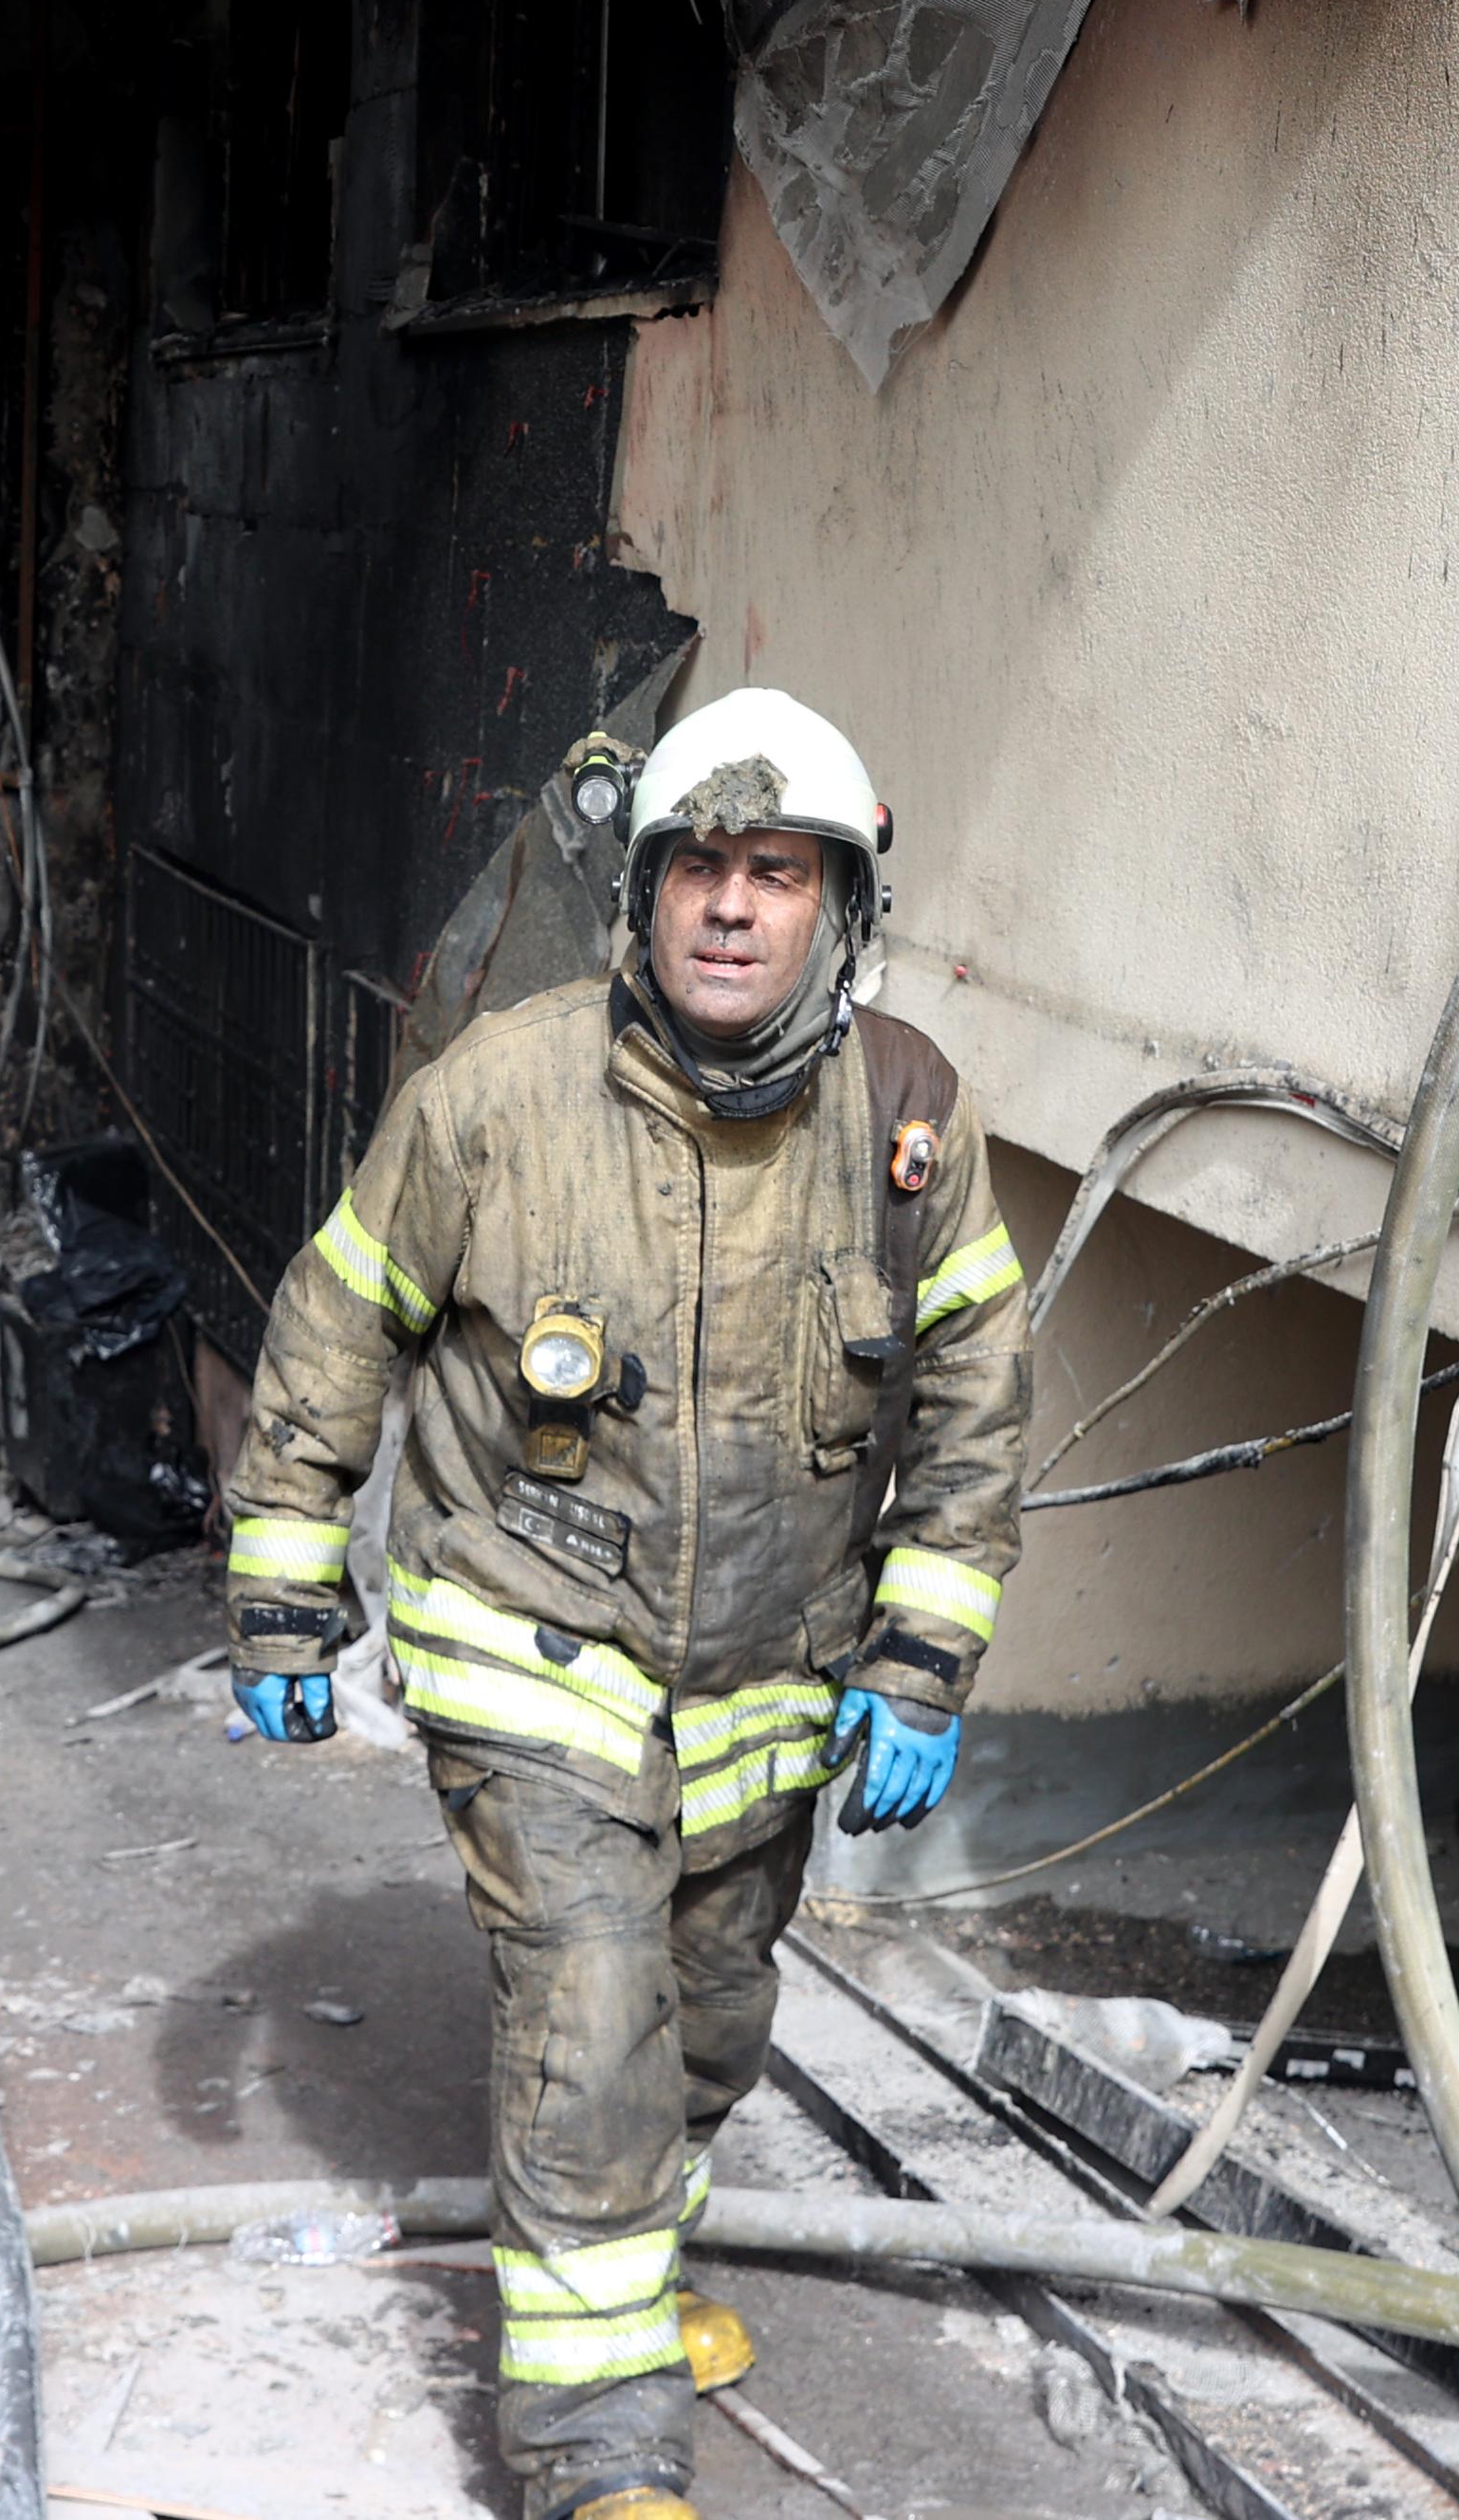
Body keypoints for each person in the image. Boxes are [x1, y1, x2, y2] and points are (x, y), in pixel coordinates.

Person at [217, 686, 1032, 2520]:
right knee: (593, 2014)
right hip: (530, 1643)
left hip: (768, 1680)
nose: (732, 908)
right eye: (700, 871)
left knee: (707, 2016)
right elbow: (339, 1315)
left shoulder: (911, 1120)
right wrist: (282, 1579)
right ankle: (599, 2455)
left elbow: (979, 1393)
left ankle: (628, 2281)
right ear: (642, 896)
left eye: (776, 874)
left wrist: (923, 1654)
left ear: (841, 908)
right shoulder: (501, 1093)